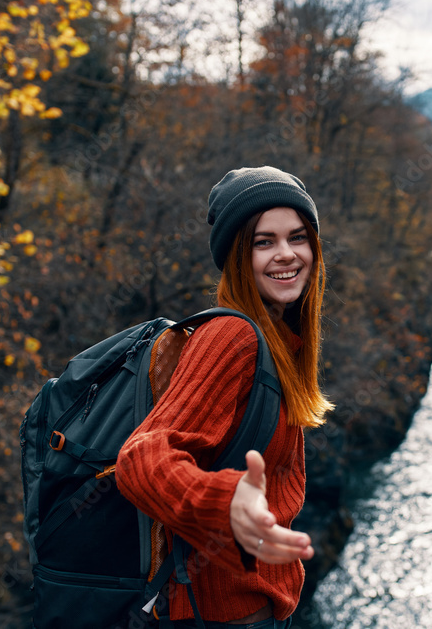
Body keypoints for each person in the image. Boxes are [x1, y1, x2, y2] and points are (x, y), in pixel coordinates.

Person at [116, 166, 333, 628]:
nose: (286, 255)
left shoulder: (281, 339)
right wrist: (226, 503)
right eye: (264, 242)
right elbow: (141, 456)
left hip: (253, 610)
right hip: (219, 616)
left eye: (298, 237)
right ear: (237, 255)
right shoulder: (233, 337)